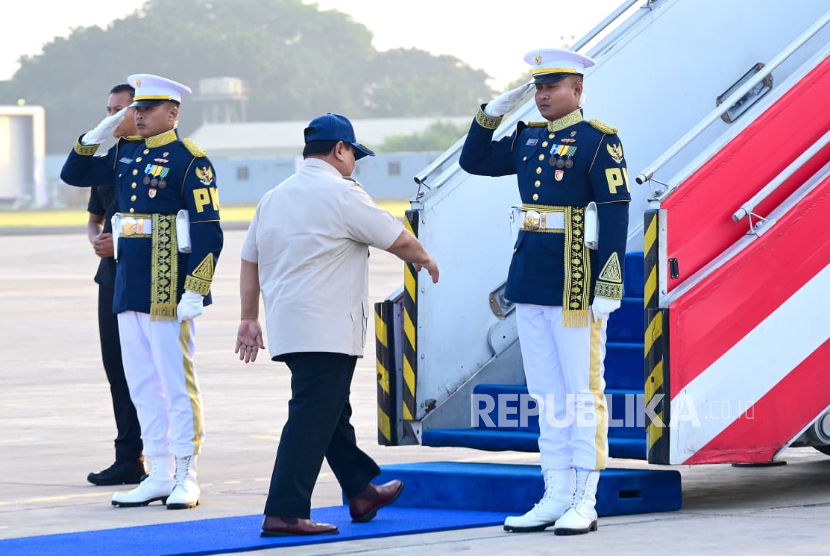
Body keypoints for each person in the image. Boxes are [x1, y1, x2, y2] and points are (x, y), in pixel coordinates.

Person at [235, 113, 439, 537]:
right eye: (353, 155)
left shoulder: (274, 196)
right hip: (327, 328)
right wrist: (423, 257)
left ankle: (362, 491)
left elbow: (249, 258)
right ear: (340, 150)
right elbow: (393, 235)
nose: (353, 165)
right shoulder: (341, 193)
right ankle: (285, 512)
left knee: (330, 412)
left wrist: (249, 317)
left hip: (290, 328)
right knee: (312, 416)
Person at [459, 48, 630, 535]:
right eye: (537, 88)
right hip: (530, 278)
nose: (542, 96)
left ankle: (585, 497)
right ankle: (555, 492)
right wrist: (491, 113)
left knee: (581, 393)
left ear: (577, 90)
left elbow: (615, 211)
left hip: (575, 281)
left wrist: (608, 281)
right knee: (546, 395)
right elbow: (474, 161)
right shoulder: (528, 138)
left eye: (552, 87)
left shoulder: (599, 142)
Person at [61, 74, 223, 510]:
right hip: (129, 284)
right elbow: (72, 172)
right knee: (142, 384)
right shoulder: (124, 154)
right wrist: (101, 130)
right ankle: (158, 472)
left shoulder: (191, 160)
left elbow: (209, 233)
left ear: (173, 113)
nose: (140, 116)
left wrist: (197, 288)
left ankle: (186, 474)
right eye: (137, 109)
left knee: (176, 384)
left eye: (148, 109)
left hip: (169, 287)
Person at [85, 83, 145, 486]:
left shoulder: (168, 161)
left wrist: (120, 239)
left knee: (152, 371)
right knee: (117, 368)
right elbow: (95, 217)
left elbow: (178, 225)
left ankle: (162, 457)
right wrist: (97, 241)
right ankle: (127, 456)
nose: (110, 117)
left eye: (118, 110)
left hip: (147, 278)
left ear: (140, 113)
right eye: (106, 109)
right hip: (111, 277)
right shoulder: (107, 162)